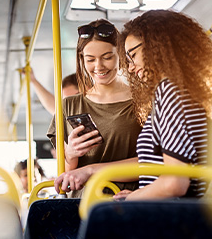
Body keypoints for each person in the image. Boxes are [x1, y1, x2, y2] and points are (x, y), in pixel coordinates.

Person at [113, 10, 212, 201]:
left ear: (156, 45)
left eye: (133, 55)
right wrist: (141, 193)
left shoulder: (171, 91)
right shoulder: (190, 90)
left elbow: (175, 183)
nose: (130, 67)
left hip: (173, 219)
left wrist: (131, 199)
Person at [48, 19, 142, 197]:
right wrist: (70, 154)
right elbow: (65, 176)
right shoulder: (68, 105)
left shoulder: (143, 100)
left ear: (121, 55)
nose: (98, 66)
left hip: (127, 200)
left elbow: (153, 163)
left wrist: (92, 170)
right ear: (81, 60)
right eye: (90, 59)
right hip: (83, 203)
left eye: (107, 57)